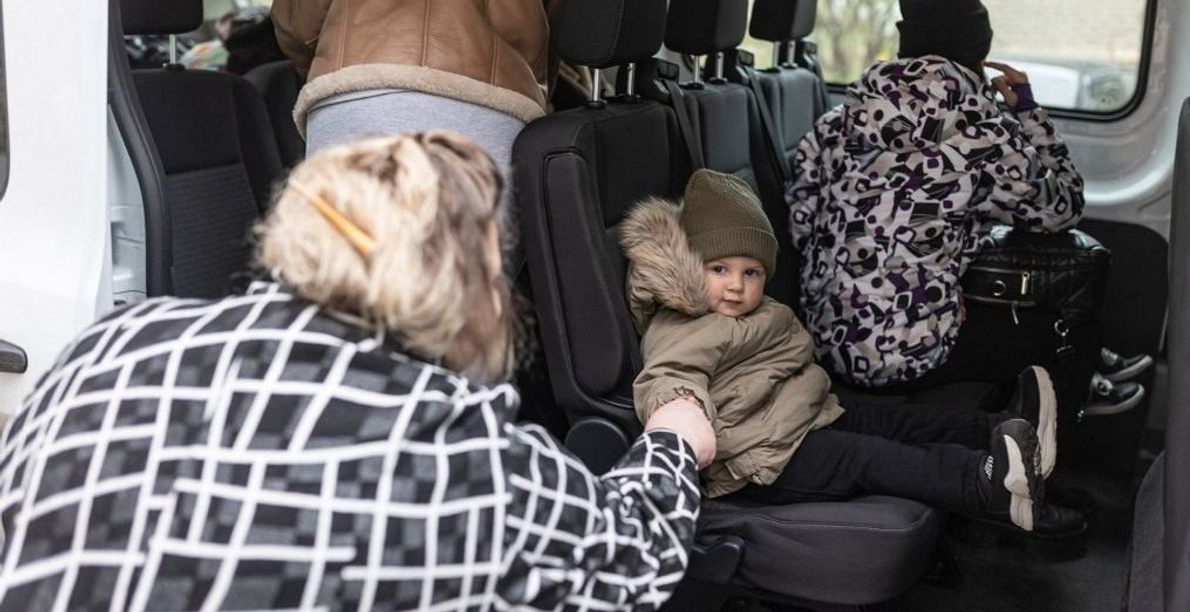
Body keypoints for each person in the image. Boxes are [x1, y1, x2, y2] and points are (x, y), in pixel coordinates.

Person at [0, 133, 715, 611]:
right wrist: (674, 441)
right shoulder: (458, 452)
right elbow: (632, 557)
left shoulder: (113, 343)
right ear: (471, 283)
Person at [622, 169, 1083, 535]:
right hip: (760, 462)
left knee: (887, 420)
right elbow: (669, 377)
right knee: (869, 457)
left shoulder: (753, 310)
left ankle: (1002, 432)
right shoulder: (682, 322)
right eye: (719, 269)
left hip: (800, 416)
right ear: (691, 267)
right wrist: (679, 420)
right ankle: (986, 481)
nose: (737, 285)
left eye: (752, 272)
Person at [785, 0, 1086, 392]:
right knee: (1064, 333)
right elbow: (1064, 208)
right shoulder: (989, 139)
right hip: (913, 356)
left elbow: (801, 224)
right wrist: (1028, 112)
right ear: (978, 55)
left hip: (823, 341)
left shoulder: (836, 122)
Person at [272, 0, 575, 174]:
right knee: (468, 250)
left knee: (346, 250)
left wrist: (328, 63)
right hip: (491, 109)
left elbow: (298, 23)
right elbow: (560, 36)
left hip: (358, 96)